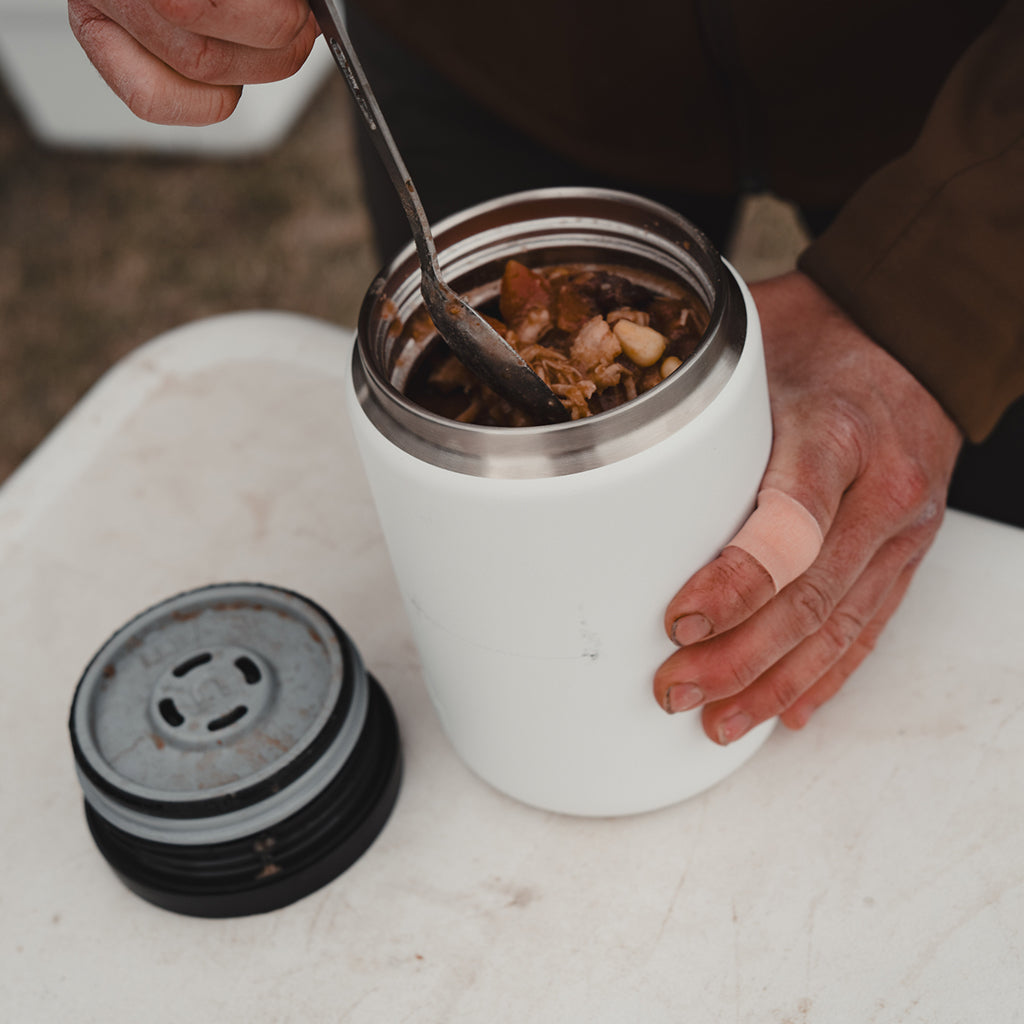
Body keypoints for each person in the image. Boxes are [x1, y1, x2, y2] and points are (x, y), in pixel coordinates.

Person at [68, 0, 1023, 747]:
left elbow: (946, 313)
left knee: (980, 560)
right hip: (499, 54)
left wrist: (948, 290)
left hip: (962, 81)